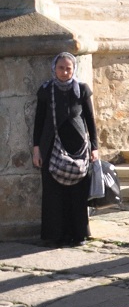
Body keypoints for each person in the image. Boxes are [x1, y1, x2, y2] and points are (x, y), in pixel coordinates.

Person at [32, 52, 99, 247]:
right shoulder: (46, 91)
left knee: (77, 193)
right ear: (54, 69)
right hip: (51, 146)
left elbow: (90, 120)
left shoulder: (82, 90)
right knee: (54, 194)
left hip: (78, 148)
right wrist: (37, 149)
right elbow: (39, 121)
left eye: (68, 68)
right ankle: (57, 235)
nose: (64, 72)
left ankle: (78, 234)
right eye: (61, 68)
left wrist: (94, 147)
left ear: (73, 69)